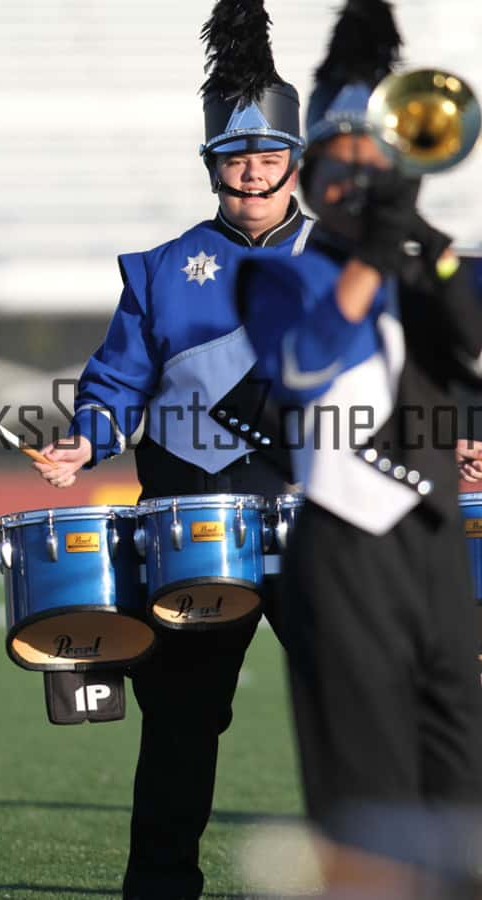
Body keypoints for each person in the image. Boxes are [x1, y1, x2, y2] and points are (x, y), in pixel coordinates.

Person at [34, 2, 312, 898]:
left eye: (269, 155)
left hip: (330, 523)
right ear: (211, 166)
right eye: (236, 158)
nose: (253, 172)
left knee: (359, 715)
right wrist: (85, 444)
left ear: (296, 160)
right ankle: (159, 888)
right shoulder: (162, 269)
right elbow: (117, 386)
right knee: (184, 721)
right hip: (198, 522)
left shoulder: (357, 259)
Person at [239, 0, 482, 896]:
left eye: (375, 162)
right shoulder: (280, 275)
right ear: (307, 183)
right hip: (346, 547)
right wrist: (376, 250)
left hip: (436, 548)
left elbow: (471, 354)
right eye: (340, 166)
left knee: (461, 780)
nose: (362, 181)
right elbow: (310, 358)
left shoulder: (438, 265)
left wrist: (427, 250)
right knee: (370, 798)